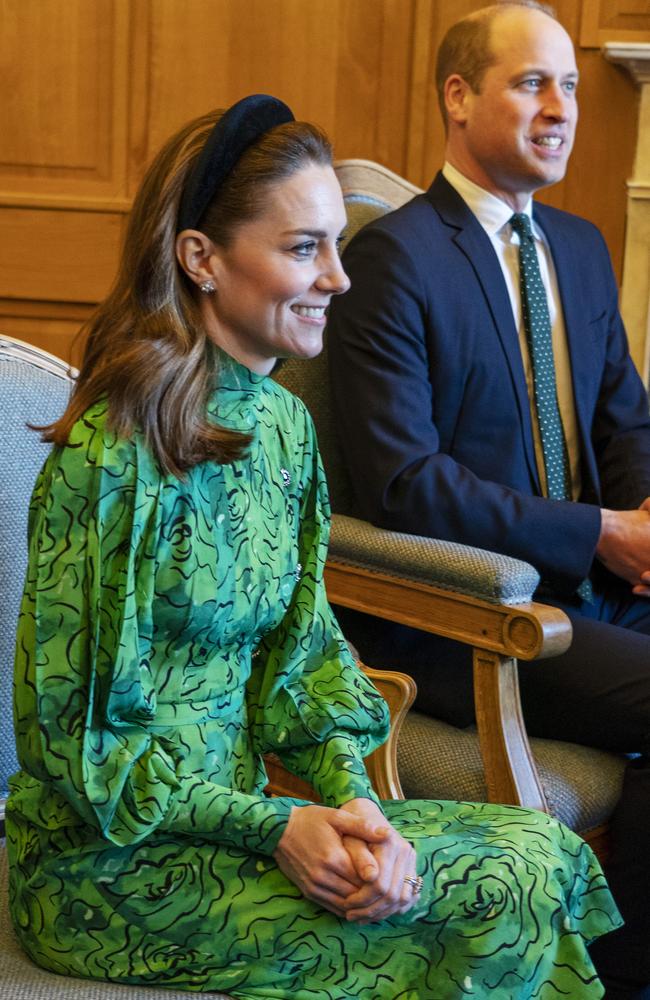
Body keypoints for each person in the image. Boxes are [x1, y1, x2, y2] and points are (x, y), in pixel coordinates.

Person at [6, 94, 620, 1000]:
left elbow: (304, 663)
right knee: (497, 891)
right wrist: (276, 830)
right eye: (304, 248)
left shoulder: (285, 431)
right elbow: (77, 740)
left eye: (336, 242)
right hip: (113, 868)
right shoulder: (111, 462)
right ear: (201, 260)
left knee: (537, 847)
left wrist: (354, 803)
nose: (338, 276)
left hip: (249, 824)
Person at [326, 3, 650, 997]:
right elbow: (400, 480)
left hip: (597, 591)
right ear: (457, 96)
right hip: (472, 614)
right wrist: (594, 531)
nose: (558, 108)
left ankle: (595, 962)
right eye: (528, 83)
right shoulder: (393, 259)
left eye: (565, 87)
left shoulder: (581, 246)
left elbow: (621, 424)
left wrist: (640, 520)